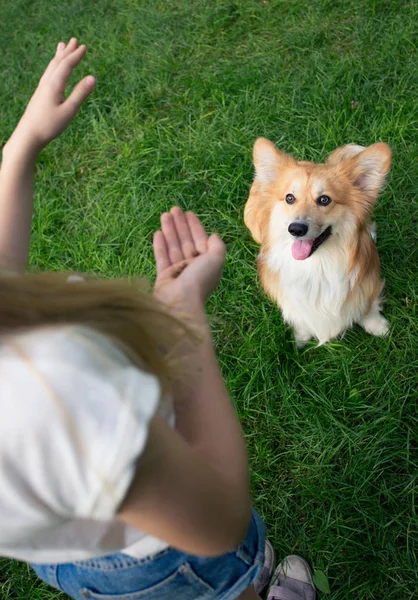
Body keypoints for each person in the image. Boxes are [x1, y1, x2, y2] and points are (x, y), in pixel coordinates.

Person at [0, 38, 317, 600]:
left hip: (66, 552)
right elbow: (217, 522)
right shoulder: (47, 395)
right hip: (160, 554)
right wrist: (183, 312)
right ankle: (255, 587)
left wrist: (22, 147)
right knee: (220, 575)